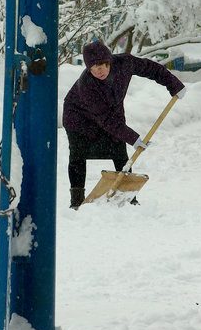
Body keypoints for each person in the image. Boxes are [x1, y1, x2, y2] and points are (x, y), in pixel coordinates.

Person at [63, 40, 186, 209]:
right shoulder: (86, 84)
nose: (99, 72)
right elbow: (105, 119)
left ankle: (127, 196)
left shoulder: (125, 63)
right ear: (88, 69)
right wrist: (133, 138)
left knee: (119, 150)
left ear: (109, 61)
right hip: (78, 117)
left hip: (110, 112)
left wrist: (174, 85)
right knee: (78, 155)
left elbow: (152, 69)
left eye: (102, 66)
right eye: (94, 68)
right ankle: (76, 201)